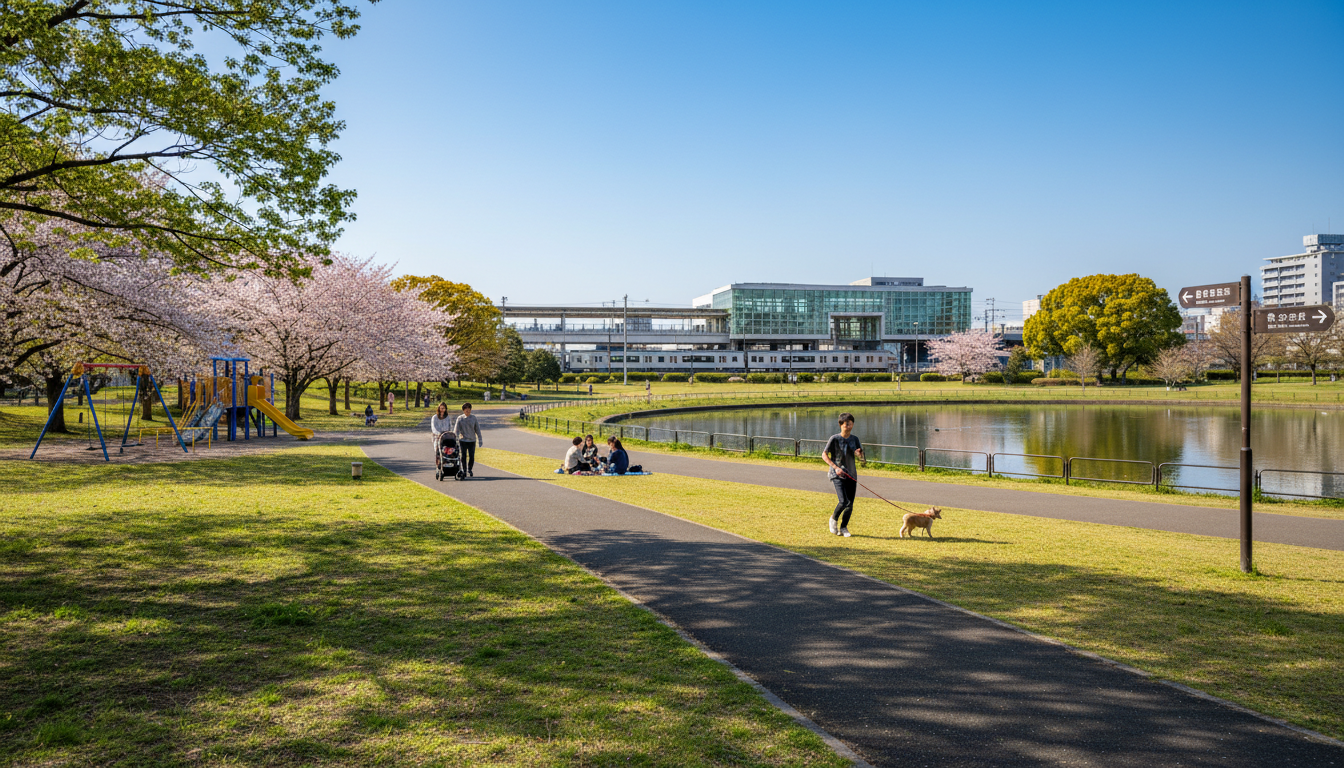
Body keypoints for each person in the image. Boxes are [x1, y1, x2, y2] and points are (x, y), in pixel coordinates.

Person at [822, 412, 865, 538]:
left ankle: (844, 527)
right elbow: (824, 455)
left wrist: (860, 455)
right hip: (837, 474)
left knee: (850, 503)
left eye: (851, 424)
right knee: (843, 501)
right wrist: (835, 467)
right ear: (841, 424)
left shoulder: (855, 439)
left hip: (851, 474)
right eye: (846, 424)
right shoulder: (834, 438)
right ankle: (833, 519)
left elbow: (862, 458)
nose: (849, 426)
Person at [453, 403, 482, 477]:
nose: (467, 410)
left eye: (469, 408)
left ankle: (470, 469)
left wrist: (480, 439)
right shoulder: (460, 418)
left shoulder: (474, 418)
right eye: (466, 409)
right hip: (463, 440)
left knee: (472, 456)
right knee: (463, 456)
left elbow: (477, 429)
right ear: (463, 410)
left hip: (472, 440)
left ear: (470, 409)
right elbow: (456, 430)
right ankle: (464, 470)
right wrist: (454, 439)